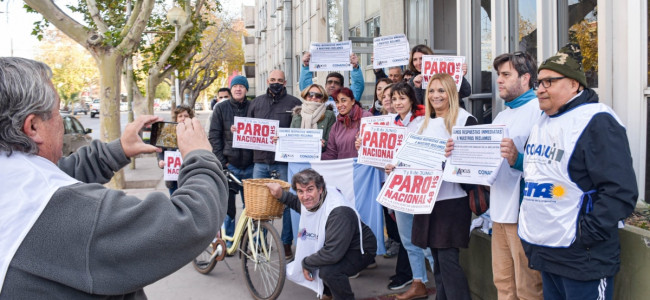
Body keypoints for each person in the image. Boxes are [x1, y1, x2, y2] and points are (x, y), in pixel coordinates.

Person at [0, 57, 228, 298]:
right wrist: (199, 155)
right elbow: (191, 221)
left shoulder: (14, 179)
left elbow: (62, 172)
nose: (62, 123)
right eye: (58, 112)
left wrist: (119, 149)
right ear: (33, 126)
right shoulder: (70, 212)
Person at [512, 43, 637, 300]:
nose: (540, 89)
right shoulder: (544, 121)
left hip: (583, 257)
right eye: (539, 82)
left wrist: (585, 235)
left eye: (549, 82)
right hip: (548, 251)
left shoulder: (596, 121)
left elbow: (619, 191)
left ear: (575, 85)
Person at [411, 73, 476, 300]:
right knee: (437, 261)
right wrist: (395, 167)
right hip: (426, 200)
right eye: (431, 91)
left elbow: (473, 165)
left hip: (452, 201)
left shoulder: (465, 120)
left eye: (441, 90)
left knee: (448, 262)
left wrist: (450, 159)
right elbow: (408, 158)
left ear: (451, 93)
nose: (435, 95)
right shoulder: (421, 123)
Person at [266, 169, 377, 300]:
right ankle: (328, 292)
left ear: (320, 189)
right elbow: (298, 203)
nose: (305, 196)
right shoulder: (317, 198)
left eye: (309, 190)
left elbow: (332, 253)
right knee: (320, 254)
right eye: (300, 191)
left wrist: (306, 262)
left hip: (360, 249)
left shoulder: (339, 212)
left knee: (329, 270)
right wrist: (280, 195)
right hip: (339, 244)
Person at [491, 51, 543, 299]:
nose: (499, 80)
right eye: (498, 75)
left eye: (505, 74)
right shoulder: (502, 115)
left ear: (525, 78)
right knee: (503, 283)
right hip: (499, 210)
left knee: (528, 287)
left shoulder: (539, 111)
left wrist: (517, 159)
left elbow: (547, 164)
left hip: (522, 214)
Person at [378, 83, 433, 300]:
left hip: (418, 189)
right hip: (397, 189)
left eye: (402, 98)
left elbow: (426, 154)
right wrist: (366, 146)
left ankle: (445, 285)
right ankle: (418, 282)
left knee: (425, 242)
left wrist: (401, 165)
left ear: (411, 99)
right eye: (394, 99)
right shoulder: (389, 124)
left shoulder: (423, 123)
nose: (398, 103)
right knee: (408, 240)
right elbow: (383, 156)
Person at [246, 69, 302, 259]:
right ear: (267, 81)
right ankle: (258, 242)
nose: (276, 83)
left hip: (283, 162)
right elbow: (248, 128)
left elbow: (299, 130)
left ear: (285, 82)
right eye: (272, 80)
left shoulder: (294, 104)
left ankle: (286, 243)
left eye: (279, 80)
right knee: (258, 203)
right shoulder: (256, 103)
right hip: (260, 161)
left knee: (286, 203)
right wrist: (239, 130)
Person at [209, 76, 254, 247]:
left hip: (251, 166)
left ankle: (252, 242)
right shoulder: (221, 109)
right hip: (230, 165)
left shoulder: (253, 106)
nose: (238, 89)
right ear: (231, 89)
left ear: (246, 90)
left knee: (251, 208)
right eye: (235, 86)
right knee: (228, 209)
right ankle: (228, 243)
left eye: (242, 86)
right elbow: (214, 136)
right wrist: (223, 162)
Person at [299, 51, 365, 115]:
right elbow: (306, 88)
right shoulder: (317, 99)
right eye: (329, 82)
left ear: (342, 87)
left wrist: (355, 67)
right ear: (325, 85)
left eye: (336, 83)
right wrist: (306, 67)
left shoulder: (348, 100)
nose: (332, 85)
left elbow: (357, 85)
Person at [321, 87, 372, 160]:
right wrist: (314, 155)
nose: (340, 105)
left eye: (343, 101)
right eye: (337, 102)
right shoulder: (336, 126)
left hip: (363, 168)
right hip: (344, 169)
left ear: (353, 101)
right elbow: (331, 154)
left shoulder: (366, 117)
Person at [157, 104, 195, 195]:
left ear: (190, 117)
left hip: (190, 177)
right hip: (173, 180)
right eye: (180, 116)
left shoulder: (195, 132)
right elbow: (161, 151)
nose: (183, 118)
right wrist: (161, 161)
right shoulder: (168, 133)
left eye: (186, 116)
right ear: (176, 118)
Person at [290, 84, 336, 151]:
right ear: (305, 96)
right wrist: (280, 140)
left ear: (323, 99)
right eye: (310, 94)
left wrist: (324, 144)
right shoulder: (297, 115)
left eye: (318, 96)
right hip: (298, 158)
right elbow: (290, 138)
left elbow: (332, 142)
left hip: (321, 158)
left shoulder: (329, 115)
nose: (314, 97)